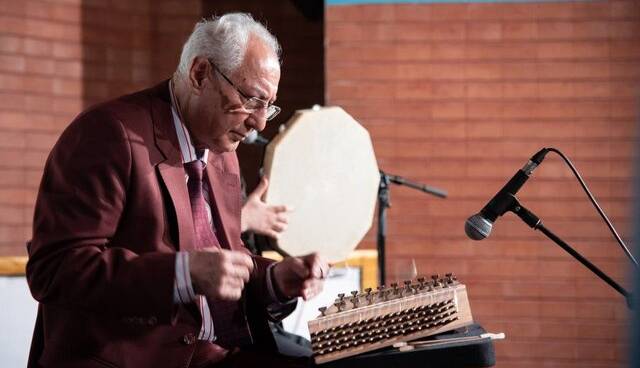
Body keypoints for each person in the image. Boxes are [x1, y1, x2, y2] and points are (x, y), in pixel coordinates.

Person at [25, 13, 328, 368]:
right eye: (250, 99)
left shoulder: (221, 154)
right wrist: (182, 275)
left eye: (267, 106)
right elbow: (54, 270)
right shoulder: (109, 134)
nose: (259, 122)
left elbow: (225, 259)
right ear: (200, 74)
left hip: (214, 351)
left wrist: (274, 279)